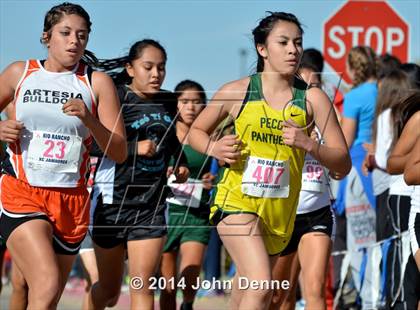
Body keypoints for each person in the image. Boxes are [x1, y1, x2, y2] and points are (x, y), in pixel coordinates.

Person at [189, 11, 350, 309]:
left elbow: (342, 162)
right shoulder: (237, 91)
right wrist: (214, 148)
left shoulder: (313, 99)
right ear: (263, 49)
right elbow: (195, 132)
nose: (293, 50)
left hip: (280, 213)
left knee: (250, 292)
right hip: (236, 201)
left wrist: (309, 144)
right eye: (284, 42)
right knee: (262, 284)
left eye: (298, 43)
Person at [0, 2, 127, 308]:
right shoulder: (21, 72)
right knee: (45, 284)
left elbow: (120, 151)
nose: (74, 41)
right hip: (21, 190)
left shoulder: (96, 82)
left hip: (71, 200)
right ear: (47, 37)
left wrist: (90, 119)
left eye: (82, 35)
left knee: (48, 298)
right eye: (66, 33)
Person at [89, 39, 189, 310]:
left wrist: (181, 164)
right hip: (113, 203)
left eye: (161, 68)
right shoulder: (116, 97)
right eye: (148, 67)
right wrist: (134, 148)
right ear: (130, 68)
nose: (156, 74)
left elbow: (174, 143)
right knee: (108, 292)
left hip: (151, 206)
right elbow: (95, 145)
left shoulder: (169, 102)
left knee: (142, 284)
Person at [271, 62, 339, 310]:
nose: (309, 92)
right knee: (279, 297)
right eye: (303, 85)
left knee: (314, 290)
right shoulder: (274, 119)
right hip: (280, 216)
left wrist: (315, 148)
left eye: (315, 85)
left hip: (316, 213)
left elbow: (342, 165)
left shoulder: (326, 122)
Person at [159, 80, 213, 310]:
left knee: (190, 273)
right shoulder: (163, 133)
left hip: (196, 213)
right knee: (168, 285)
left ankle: (188, 304)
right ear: (175, 104)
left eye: (197, 102)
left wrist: (213, 181)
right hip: (166, 214)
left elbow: (223, 169)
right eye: (184, 101)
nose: (191, 107)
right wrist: (164, 173)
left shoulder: (210, 136)